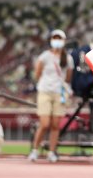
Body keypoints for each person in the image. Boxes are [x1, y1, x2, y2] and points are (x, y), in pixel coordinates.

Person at [29, 30, 72, 163]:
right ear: (51, 40)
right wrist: (46, 83)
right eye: (55, 38)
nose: (57, 41)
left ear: (64, 41)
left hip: (59, 92)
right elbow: (37, 74)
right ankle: (35, 150)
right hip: (45, 91)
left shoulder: (68, 58)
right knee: (44, 123)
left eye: (59, 38)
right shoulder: (44, 56)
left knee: (55, 125)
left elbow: (69, 77)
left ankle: (51, 152)